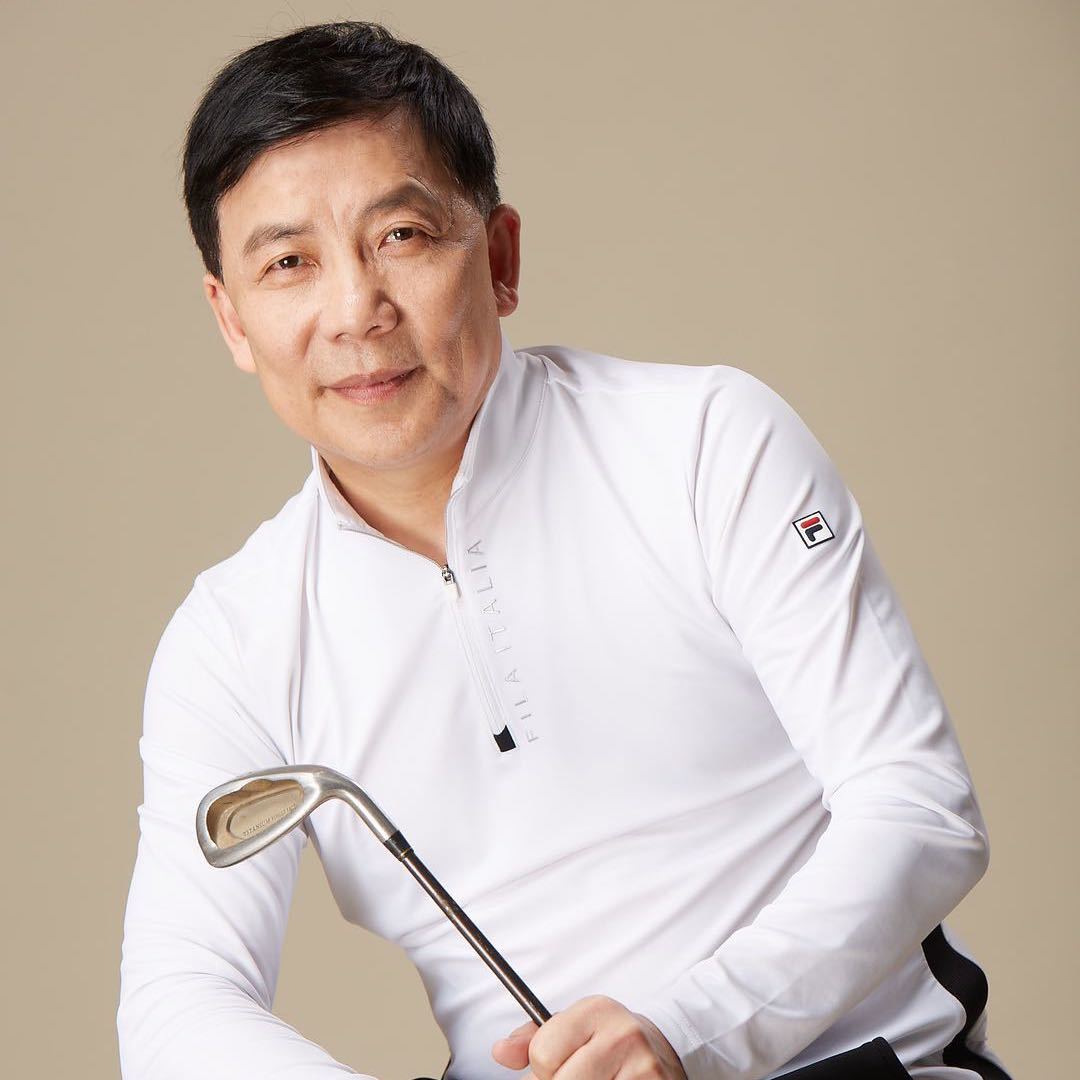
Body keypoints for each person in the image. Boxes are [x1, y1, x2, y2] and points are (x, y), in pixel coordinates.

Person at [116, 19, 1012, 1080]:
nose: (356, 310)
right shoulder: (232, 639)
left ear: (499, 258)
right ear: (231, 320)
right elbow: (179, 1002)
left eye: (400, 236)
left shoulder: (704, 443)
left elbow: (919, 806)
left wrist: (685, 1029)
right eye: (289, 263)